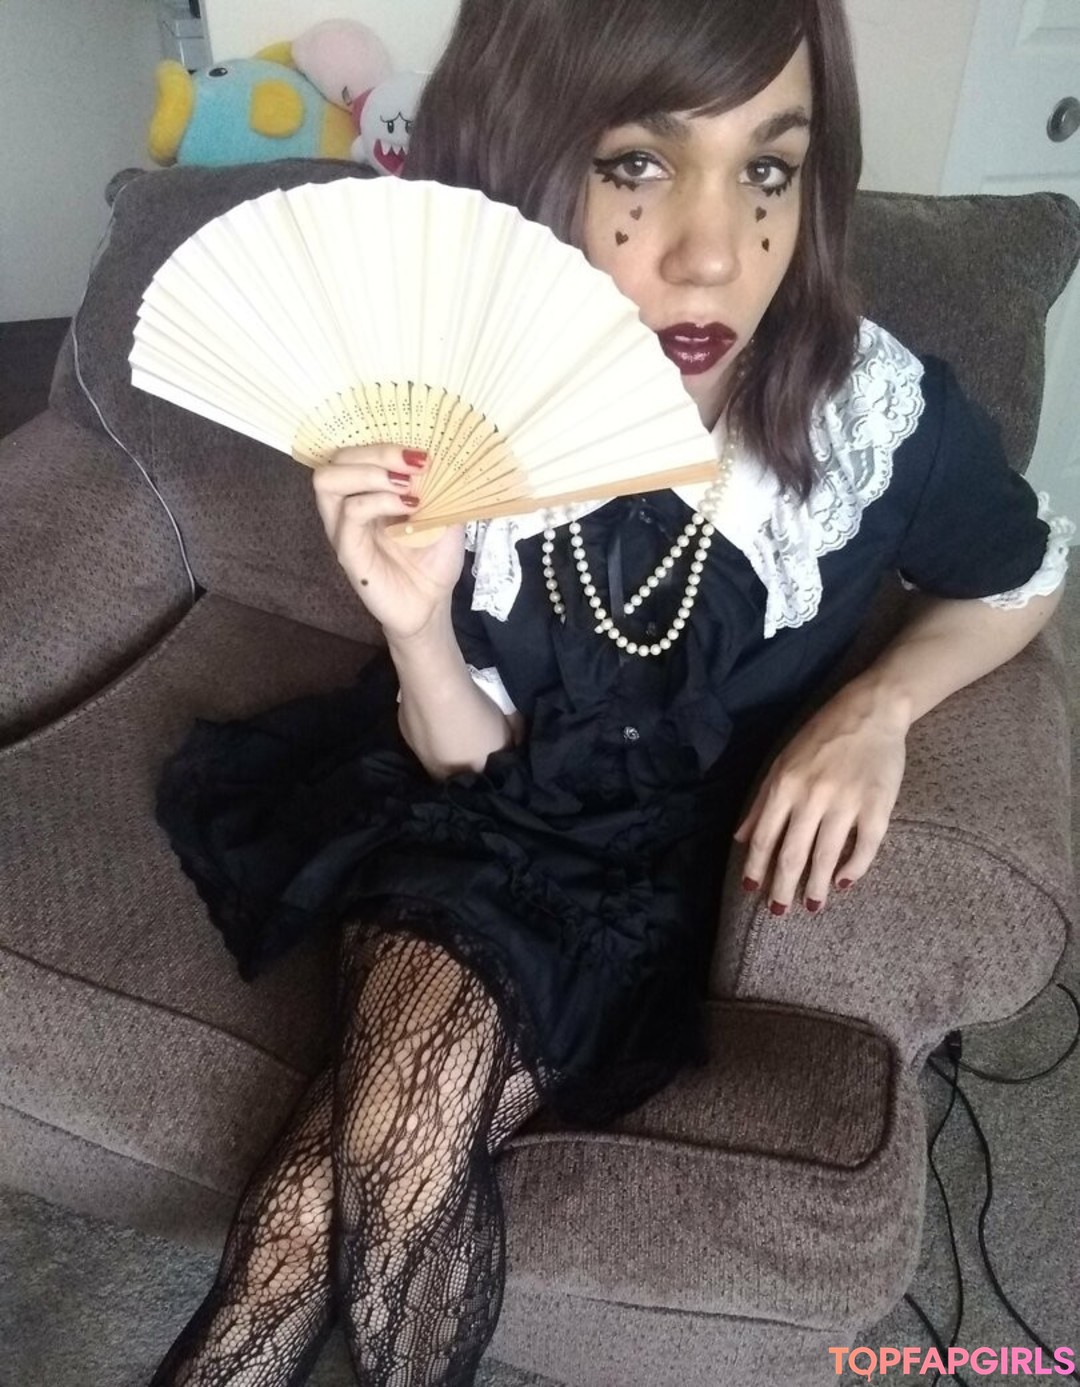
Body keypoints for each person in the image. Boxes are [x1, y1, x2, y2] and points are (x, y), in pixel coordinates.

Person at [149, 0, 1072, 1382]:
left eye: (768, 169)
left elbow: (1022, 575)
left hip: (673, 871)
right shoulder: (461, 400)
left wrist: (876, 706)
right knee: (379, 1160)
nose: (715, 254)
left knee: (313, 1204)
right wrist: (415, 630)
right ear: (538, 158)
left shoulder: (874, 421)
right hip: (484, 807)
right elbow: (468, 765)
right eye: (639, 163)